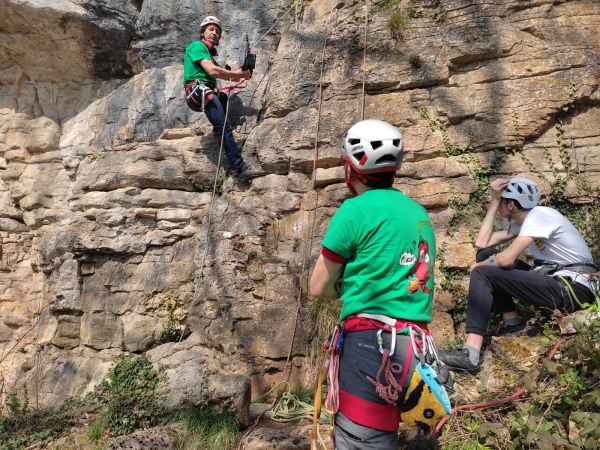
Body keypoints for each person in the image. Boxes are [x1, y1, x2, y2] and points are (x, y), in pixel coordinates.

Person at [309, 120, 439, 449]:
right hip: (418, 349)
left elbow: (319, 286)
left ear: (349, 169)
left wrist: (351, 289)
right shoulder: (418, 212)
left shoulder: (354, 210)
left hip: (372, 347)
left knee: (363, 442)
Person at [438, 177, 597, 374]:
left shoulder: (539, 216)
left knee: (483, 270)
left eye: (502, 202)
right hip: (556, 282)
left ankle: (470, 353)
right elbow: (483, 242)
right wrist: (495, 201)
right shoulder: (523, 223)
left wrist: (478, 267)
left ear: (511, 204)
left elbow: (505, 260)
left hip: (572, 288)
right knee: (486, 255)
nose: (498, 207)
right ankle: (512, 324)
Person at [183, 16, 263, 178]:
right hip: (198, 90)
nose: (214, 33)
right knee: (225, 126)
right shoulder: (197, 46)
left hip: (203, 91)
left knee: (223, 98)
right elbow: (213, 72)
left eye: (217, 32)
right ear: (202, 32)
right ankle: (239, 167)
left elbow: (231, 76)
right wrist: (236, 73)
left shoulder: (209, 57)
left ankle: (218, 132)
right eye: (211, 29)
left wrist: (243, 71)